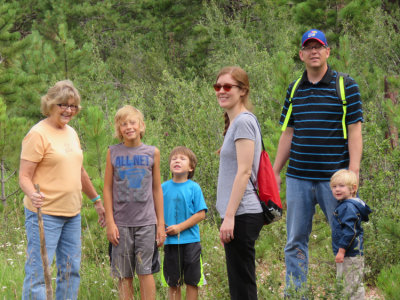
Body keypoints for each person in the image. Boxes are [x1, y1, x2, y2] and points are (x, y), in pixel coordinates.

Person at [272, 29, 364, 293]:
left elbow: (355, 129)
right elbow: (288, 132)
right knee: (295, 242)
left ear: (327, 52)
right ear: (301, 54)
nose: (314, 51)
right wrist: (275, 171)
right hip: (298, 178)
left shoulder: (346, 85)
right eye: (308, 47)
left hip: (335, 180)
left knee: (347, 237)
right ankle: (297, 295)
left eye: (318, 46)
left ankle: (350, 295)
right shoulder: (295, 88)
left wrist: (353, 171)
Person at [19, 80, 106, 300]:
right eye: (63, 105)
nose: (68, 110)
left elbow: (80, 171)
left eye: (73, 106)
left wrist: (96, 200)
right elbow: (24, 177)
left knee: (71, 271)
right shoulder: (37, 134)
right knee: (39, 274)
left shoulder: (71, 133)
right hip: (44, 214)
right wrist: (32, 194)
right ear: (50, 104)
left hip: (72, 215)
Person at [103, 105, 165, 300]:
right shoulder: (113, 152)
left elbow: (157, 189)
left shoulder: (152, 152)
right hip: (121, 223)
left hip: (146, 222)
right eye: (123, 124)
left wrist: (160, 224)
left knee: (146, 271)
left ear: (141, 126)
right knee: (124, 275)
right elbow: (107, 188)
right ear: (119, 130)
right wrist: (111, 223)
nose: (129, 127)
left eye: (132, 122)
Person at [215, 66, 264, 300]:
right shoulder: (235, 123)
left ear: (243, 90)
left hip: (242, 213)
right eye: (217, 86)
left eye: (227, 87)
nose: (221, 91)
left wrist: (230, 216)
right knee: (239, 282)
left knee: (242, 285)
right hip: (237, 214)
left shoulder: (243, 122)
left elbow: (244, 172)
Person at [161, 146, 208, 300]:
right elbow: (157, 213)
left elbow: (201, 214)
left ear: (191, 167)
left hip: (191, 242)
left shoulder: (194, 188)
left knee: (192, 281)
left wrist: (180, 227)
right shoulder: (162, 188)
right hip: (170, 242)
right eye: (174, 158)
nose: (177, 161)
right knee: (173, 283)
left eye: (182, 158)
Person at [330, 169, 371, 300]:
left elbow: (350, 231)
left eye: (341, 186)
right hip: (349, 253)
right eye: (334, 186)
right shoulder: (346, 205)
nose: (337, 189)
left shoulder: (348, 207)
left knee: (352, 287)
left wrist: (341, 251)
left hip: (350, 253)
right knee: (346, 285)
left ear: (353, 188)